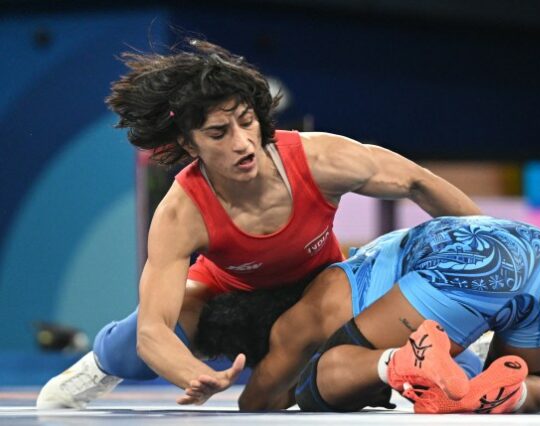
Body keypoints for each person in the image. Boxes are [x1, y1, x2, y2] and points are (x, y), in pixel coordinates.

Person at [36, 40, 480, 409]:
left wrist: (504, 240)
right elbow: (154, 332)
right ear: (187, 143)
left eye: (247, 122)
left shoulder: (321, 159)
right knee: (140, 344)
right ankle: (97, 366)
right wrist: (197, 376)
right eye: (218, 133)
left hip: (320, 289)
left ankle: (470, 348)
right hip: (226, 293)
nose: (242, 143)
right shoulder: (180, 212)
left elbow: (417, 182)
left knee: (385, 360)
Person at [189, 216, 540, 414]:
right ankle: (517, 396)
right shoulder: (371, 265)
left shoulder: (307, 312)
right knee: (514, 379)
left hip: (472, 266)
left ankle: (398, 361)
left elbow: (257, 403)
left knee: (320, 382)